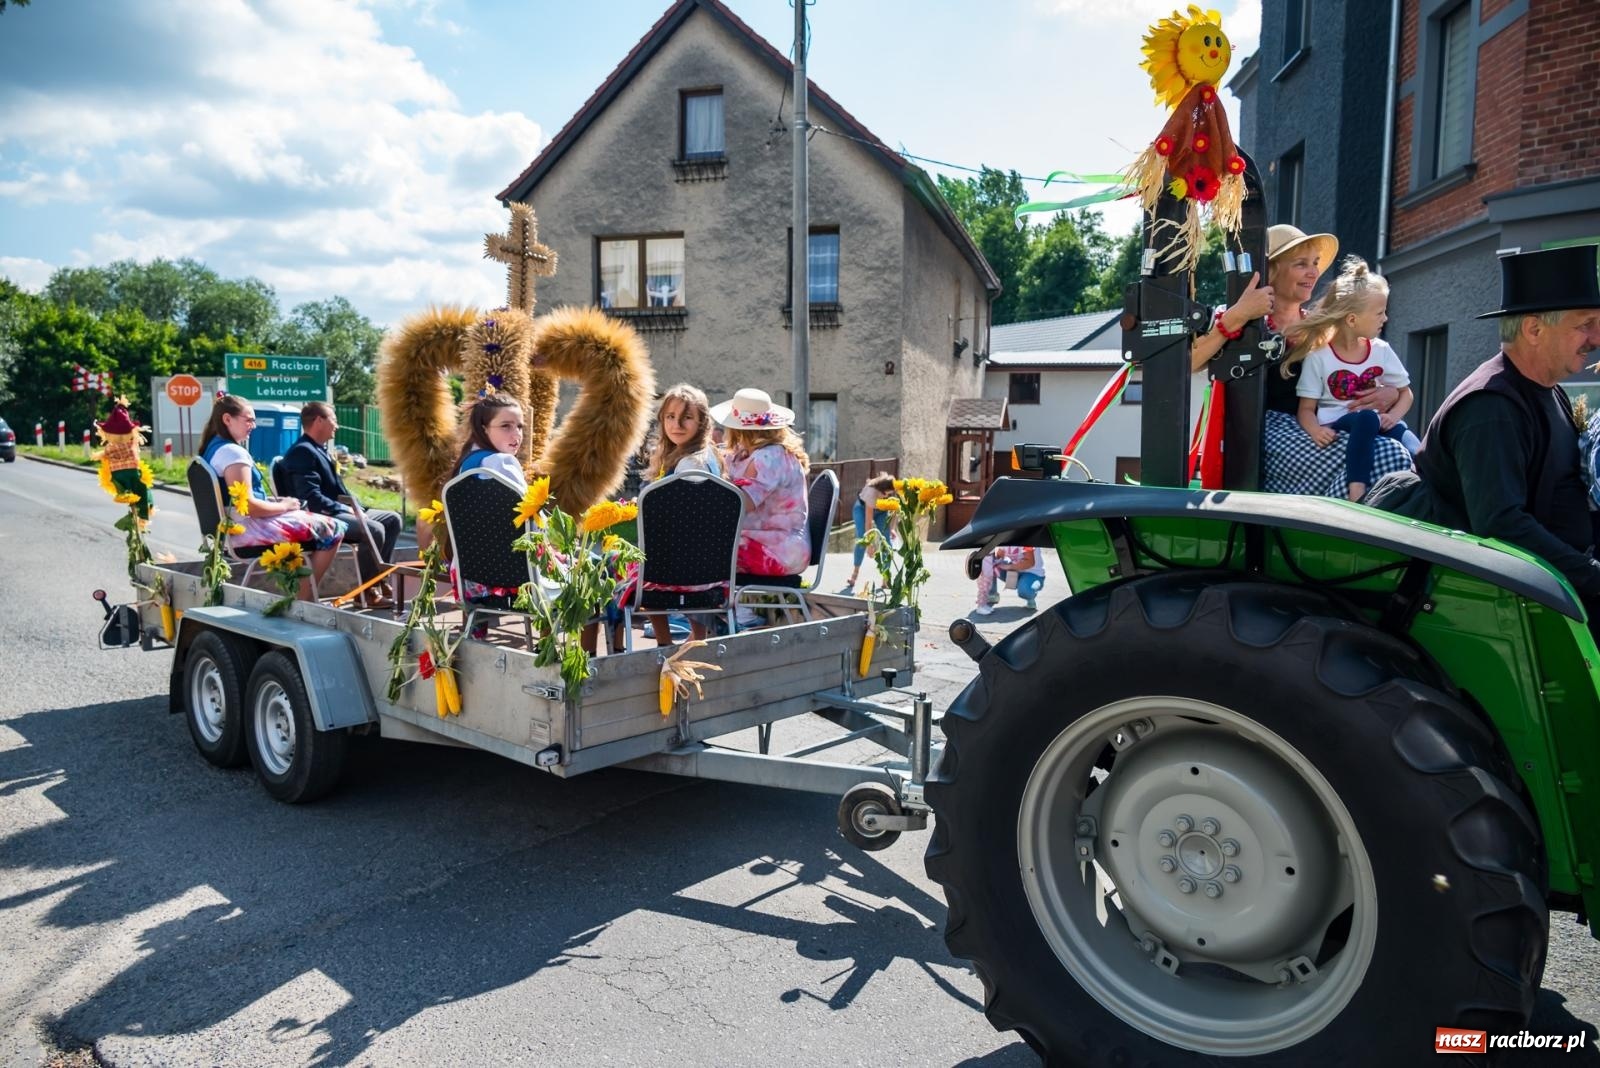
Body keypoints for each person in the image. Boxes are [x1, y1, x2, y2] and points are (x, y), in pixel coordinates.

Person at [1367, 245, 1600, 616]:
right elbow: (1501, 525)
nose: (1596, 338)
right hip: (1481, 603)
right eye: (1584, 324)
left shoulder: (1548, 391)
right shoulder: (1491, 407)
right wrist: (1590, 577)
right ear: (1535, 329)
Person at [1191, 225, 1412, 497]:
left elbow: (1350, 376)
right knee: (1384, 454)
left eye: (1315, 264)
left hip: (1315, 430)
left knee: (1403, 453)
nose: (1313, 273)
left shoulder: (1320, 329)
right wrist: (1239, 315)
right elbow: (1190, 363)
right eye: (1301, 264)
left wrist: (1388, 391)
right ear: (1272, 269)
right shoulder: (1239, 318)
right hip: (1262, 439)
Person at [1290, 257, 1420, 501]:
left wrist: (1393, 417)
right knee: (1366, 419)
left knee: (1415, 446)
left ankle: (1424, 485)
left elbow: (1406, 393)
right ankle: (1356, 490)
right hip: (1338, 422)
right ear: (1352, 320)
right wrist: (1315, 430)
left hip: (1375, 421)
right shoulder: (1319, 356)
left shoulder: (1380, 350)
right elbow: (1306, 409)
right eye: (1380, 313)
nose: (1385, 319)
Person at [200, 394, 345, 599]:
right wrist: (285, 506)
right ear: (227, 419)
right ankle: (305, 600)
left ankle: (299, 591)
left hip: (230, 531)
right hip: (246, 531)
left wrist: (274, 502)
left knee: (312, 526)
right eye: (249, 420)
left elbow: (236, 499)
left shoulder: (213, 448)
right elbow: (249, 507)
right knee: (335, 529)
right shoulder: (233, 454)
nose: (254, 425)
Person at [281, 402, 402, 608]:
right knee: (373, 529)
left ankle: (378, 579)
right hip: (321, 516)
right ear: (319, 420)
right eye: (333, 419)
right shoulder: (302, 452)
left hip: (338, 510)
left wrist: (358, 508)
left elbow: (337, 490)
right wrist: (348, 510)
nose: (337, 425)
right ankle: (366, 592)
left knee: (392, 519)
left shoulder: (318, 449)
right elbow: (311, 498)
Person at [712, 388, 811, 627]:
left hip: (778, 551)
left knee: (702, 553)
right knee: (705, 548)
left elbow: (736, 506)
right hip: (777, 544)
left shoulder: (768, 458)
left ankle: (735, 614)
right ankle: (724, 612)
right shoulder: (753, 453)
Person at [635, 384, 723, 646]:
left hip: (681, 564)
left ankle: (663, 645)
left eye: (687, 417)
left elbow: (679, 521)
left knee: (616, 563)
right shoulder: (705, 456)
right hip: (708, 563)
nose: (677, 424)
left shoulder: (690, 465)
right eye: (670, 417)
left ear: (702, 422)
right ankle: (696, 638)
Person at [450, 392, 528, 608]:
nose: (517, 434)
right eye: (506, 426)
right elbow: (531, 520)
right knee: (596, 571)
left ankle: (476, 629)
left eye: (520, 426)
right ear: (484, 428)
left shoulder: (466, 464)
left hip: (471, 577)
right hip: (517, 577)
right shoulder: (503, 463)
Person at [842, 472, 895, 593]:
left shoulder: (890, 489)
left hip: (881, 512)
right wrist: (870, 544)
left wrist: (892, 529)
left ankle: (886, 578)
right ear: (882, 490)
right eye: (887, 494)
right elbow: (868, 522)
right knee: (862, 539)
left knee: (887, 541)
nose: (888, 496)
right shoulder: (872, 492)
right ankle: (854, 575)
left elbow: (894, 511)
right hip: (862, 509)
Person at [972, 546, 1046, 617]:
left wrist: (1009, 566)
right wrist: (996, 557)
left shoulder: (1027, 539)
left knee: (1025, 590)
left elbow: (1030, 562)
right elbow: (999, 556)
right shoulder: (1005, 537)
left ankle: (1030, 595)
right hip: (1016, 571)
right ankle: (992, 595)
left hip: (1034, 574)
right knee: (990, 564)